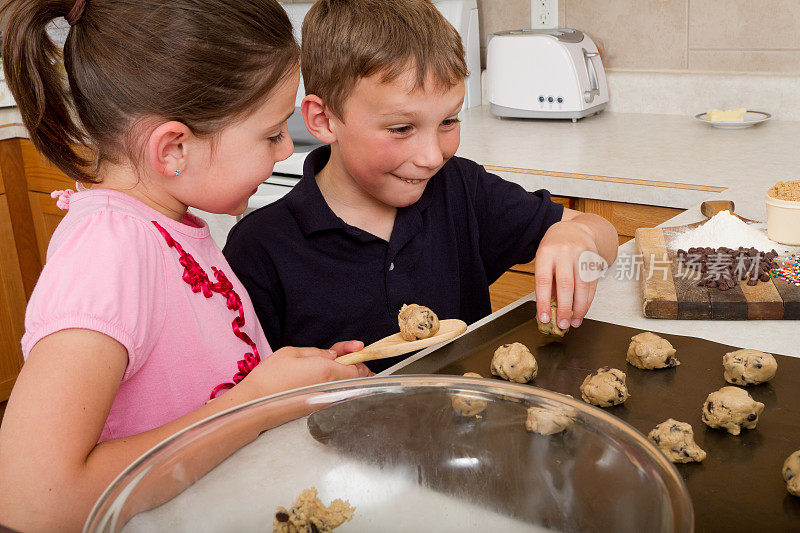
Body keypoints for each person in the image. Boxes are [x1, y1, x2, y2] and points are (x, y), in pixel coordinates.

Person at [0, 0, 369, 529]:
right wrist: (257, 403)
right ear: (173, 148)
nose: (287, 149)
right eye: (270, 133)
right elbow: (35, 500)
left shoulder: (165, 222)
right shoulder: (108, 249)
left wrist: (283, 383)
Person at [223, 0, 619, 373]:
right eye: (401, 128)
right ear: (324, 119)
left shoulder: (461, 190)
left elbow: (605, 238)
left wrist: (577, 232)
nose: (432, 156)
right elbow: (251, 403)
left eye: (448, 121)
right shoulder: (259, 250)